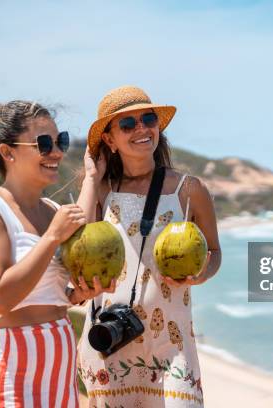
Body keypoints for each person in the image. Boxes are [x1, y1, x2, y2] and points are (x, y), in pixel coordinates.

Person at [76, 86, 221, 407]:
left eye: (148, 119)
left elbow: (214, 252)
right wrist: (90, 178)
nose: (141, 128)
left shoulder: (189, 190)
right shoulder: (102, 190)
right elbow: (79, 244)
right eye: (127, 124)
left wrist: (200, 276)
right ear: (110, 140)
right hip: (111, 340)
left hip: (171, 343)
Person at [0, 100, 115, 407]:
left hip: (60, 371)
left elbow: (76, 239)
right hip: (12, 376)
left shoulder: (53, 211)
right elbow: (1, 299)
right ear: (8, 153)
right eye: (44, 144)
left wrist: (76, 295)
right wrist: (53, 237)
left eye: (61, 141)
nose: (57, 152)